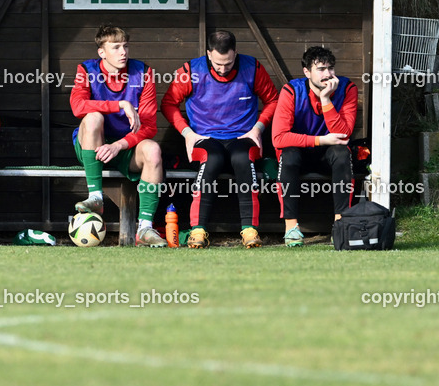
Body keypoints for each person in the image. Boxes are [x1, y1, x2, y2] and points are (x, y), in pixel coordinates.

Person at [161, 30, 279, 248]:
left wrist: (258, 129)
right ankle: (198, 230)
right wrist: (187, 134)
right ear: (208, 54)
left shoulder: (252, 67)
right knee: (212, 159)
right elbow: (168, 104)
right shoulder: (191, 70)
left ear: (235, 53)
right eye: (217, 64)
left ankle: (250, 230)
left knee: (243, 159)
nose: (223, 69)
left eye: (228, 63)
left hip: (243, 136)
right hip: (205, 138)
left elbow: (273, 100)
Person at [70, 26, 168, 247]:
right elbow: (77, 107)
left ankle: (144, 228)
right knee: (93, 118)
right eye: (115, 47)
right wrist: (119, 105)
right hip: (91, 146)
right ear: (102, 52)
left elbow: (150, 126)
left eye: (125, 46)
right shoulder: (86, 70)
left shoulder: (143, 73)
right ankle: (95, 197)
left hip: (125, 149)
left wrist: (119, 145)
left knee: (153, 150)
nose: (123, 52)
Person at [272, 46, 358, 247]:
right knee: (289, 156)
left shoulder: (347, 88)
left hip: (329, 154)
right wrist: (321, 140)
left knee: (342, 154)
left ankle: (340, 225)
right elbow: (279, 138)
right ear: (307, 72)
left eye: (330, 68)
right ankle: (291, 227)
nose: (328, 74)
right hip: (301, 152)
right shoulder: (292, 90)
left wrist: (326, 99)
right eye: (320, 69)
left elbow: (343, 134)